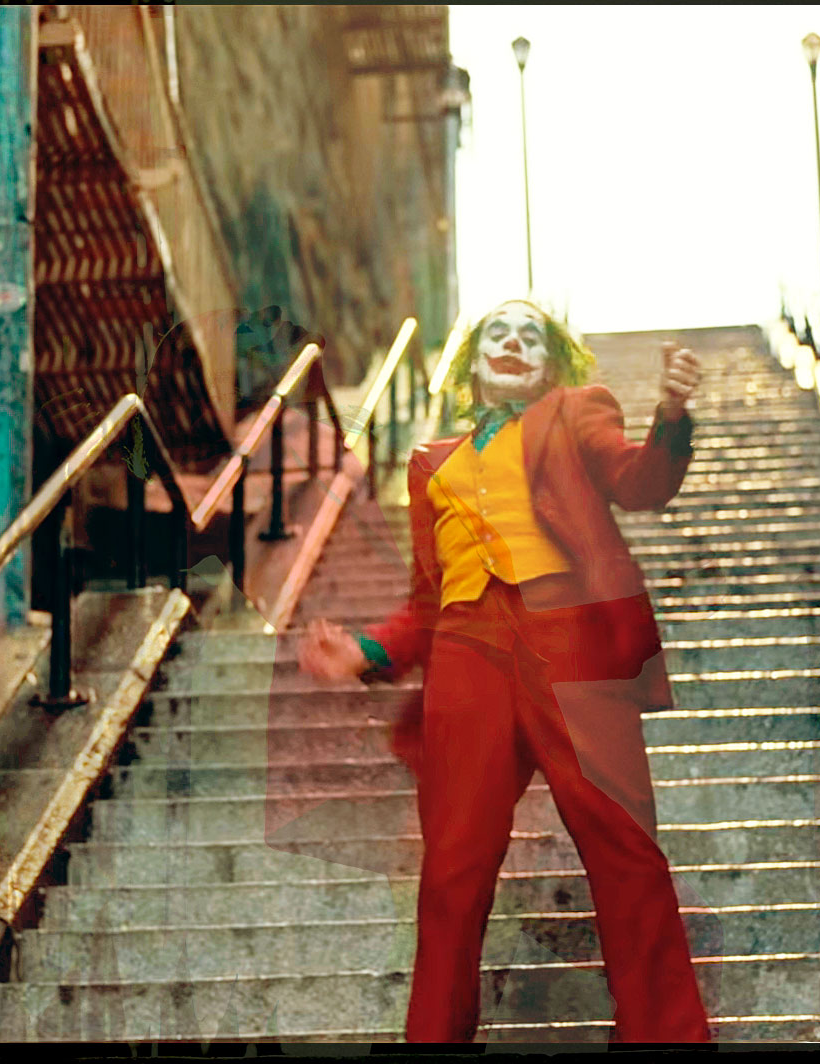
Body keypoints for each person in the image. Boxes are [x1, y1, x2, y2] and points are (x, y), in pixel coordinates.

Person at [297, 299, 711, 1043]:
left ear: (551, 367)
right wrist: (368, 650)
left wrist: (672, 416)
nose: (513, 343)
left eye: (531, 337)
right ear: (472, 361)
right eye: (498, 333)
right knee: (451, 872)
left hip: (570, 647)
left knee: (623, 847)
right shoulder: (429, 463)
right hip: (466, 659)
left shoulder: (575, 413)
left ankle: (665, 1036)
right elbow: (426, 603)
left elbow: (640, 482)